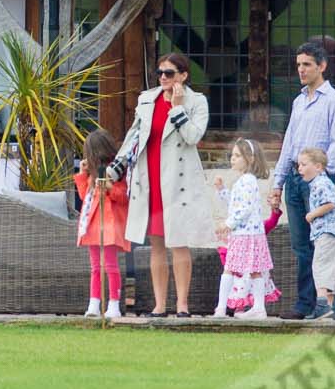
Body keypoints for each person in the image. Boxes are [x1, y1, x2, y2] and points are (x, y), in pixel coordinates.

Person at [113, 50, 213, 318]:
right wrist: (117, 166)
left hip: (178, 183)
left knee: (178, 242)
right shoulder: (147, 99)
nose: (163, 78)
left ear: (183, 75)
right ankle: (159, 305)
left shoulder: (197, 102)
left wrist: (178, 107)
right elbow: (134, 136)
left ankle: (182, 304)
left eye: (169, 73)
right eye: (159, 73)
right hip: (151, 178)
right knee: (156, 244)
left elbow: (193, 137)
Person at [271, 41, 335, 319]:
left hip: (318, 182)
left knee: (323, 243)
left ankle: (330, 308)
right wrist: (277, 183)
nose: (301, 70)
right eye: (299, 65)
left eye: (307, 65)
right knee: (301, 246)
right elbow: (289, 143)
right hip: (294, 177)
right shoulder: (298, 100)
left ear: (322, 66)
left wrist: (320, 173)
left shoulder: (333, 100)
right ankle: (306, 305)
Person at [216, 137, 280, 319]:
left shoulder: (248, 181)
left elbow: (245, 208)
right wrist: (222, 191)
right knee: (253, 270)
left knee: (232, 268)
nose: (233, 159)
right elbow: (236, 204)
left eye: (237, 155)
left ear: (250, 159)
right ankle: (257, 308)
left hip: (246, 235)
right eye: (232, 155)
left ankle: (222, 308)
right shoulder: (242, 181)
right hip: (247, 234)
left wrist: (228, 224)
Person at [75, 128, 129, 318]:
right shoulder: (92, 174)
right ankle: (94, 304)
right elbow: (85, 197)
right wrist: (82, 175)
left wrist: (109, 188)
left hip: (110, 225)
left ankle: (113, 304)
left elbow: (123, 197)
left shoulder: (117, 173)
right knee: (95, 267)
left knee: (111, 266)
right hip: (93, 225)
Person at [299, 146, 335, 321]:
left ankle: (322, 305)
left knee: (320, 267)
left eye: (304, 164)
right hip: (334, 233)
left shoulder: (321, 183)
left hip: (327, 231)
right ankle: (331, 309)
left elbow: (329, 204)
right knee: (331, 269)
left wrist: (312, 214)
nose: (300, 169)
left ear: (318, 167)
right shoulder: (321, 183)